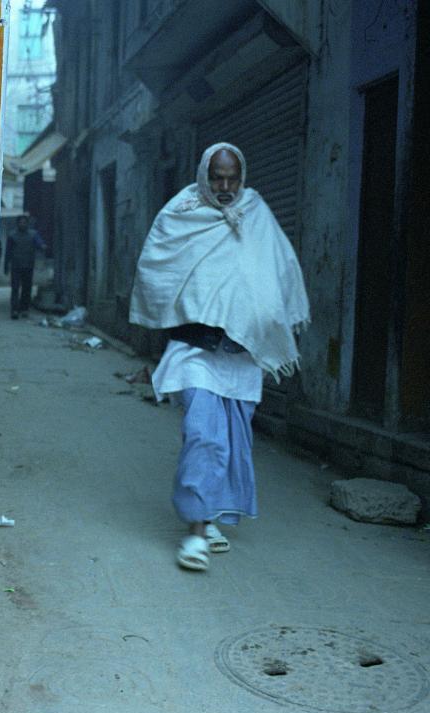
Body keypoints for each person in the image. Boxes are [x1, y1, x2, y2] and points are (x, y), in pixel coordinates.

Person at [129, 142, 310, 571]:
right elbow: (158, 269)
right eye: (217, 177)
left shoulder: (255, 211)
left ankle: (210, 516)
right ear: (204, 175)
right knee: (203, 434)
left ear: (241, 176)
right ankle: (194, 532)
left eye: (232, 178)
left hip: (242, 355)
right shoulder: (182, 212)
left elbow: (279, 270)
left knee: (232, 443)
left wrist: (269, 318)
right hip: (196, 349)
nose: (225, 186)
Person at [3, 214, 43, 319]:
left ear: (27, 224)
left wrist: (43, 246)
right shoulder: (12, 236)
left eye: (24, 222)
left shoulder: (33, 235)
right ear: (17, 224)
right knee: (15, 288)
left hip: (28, 266)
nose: (22, 224)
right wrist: (6, 266)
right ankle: (14, 310)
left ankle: (24, 309)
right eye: (21, 222)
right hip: (16, 266)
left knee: (27, 288)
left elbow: (40, 244)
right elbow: (8, 252)